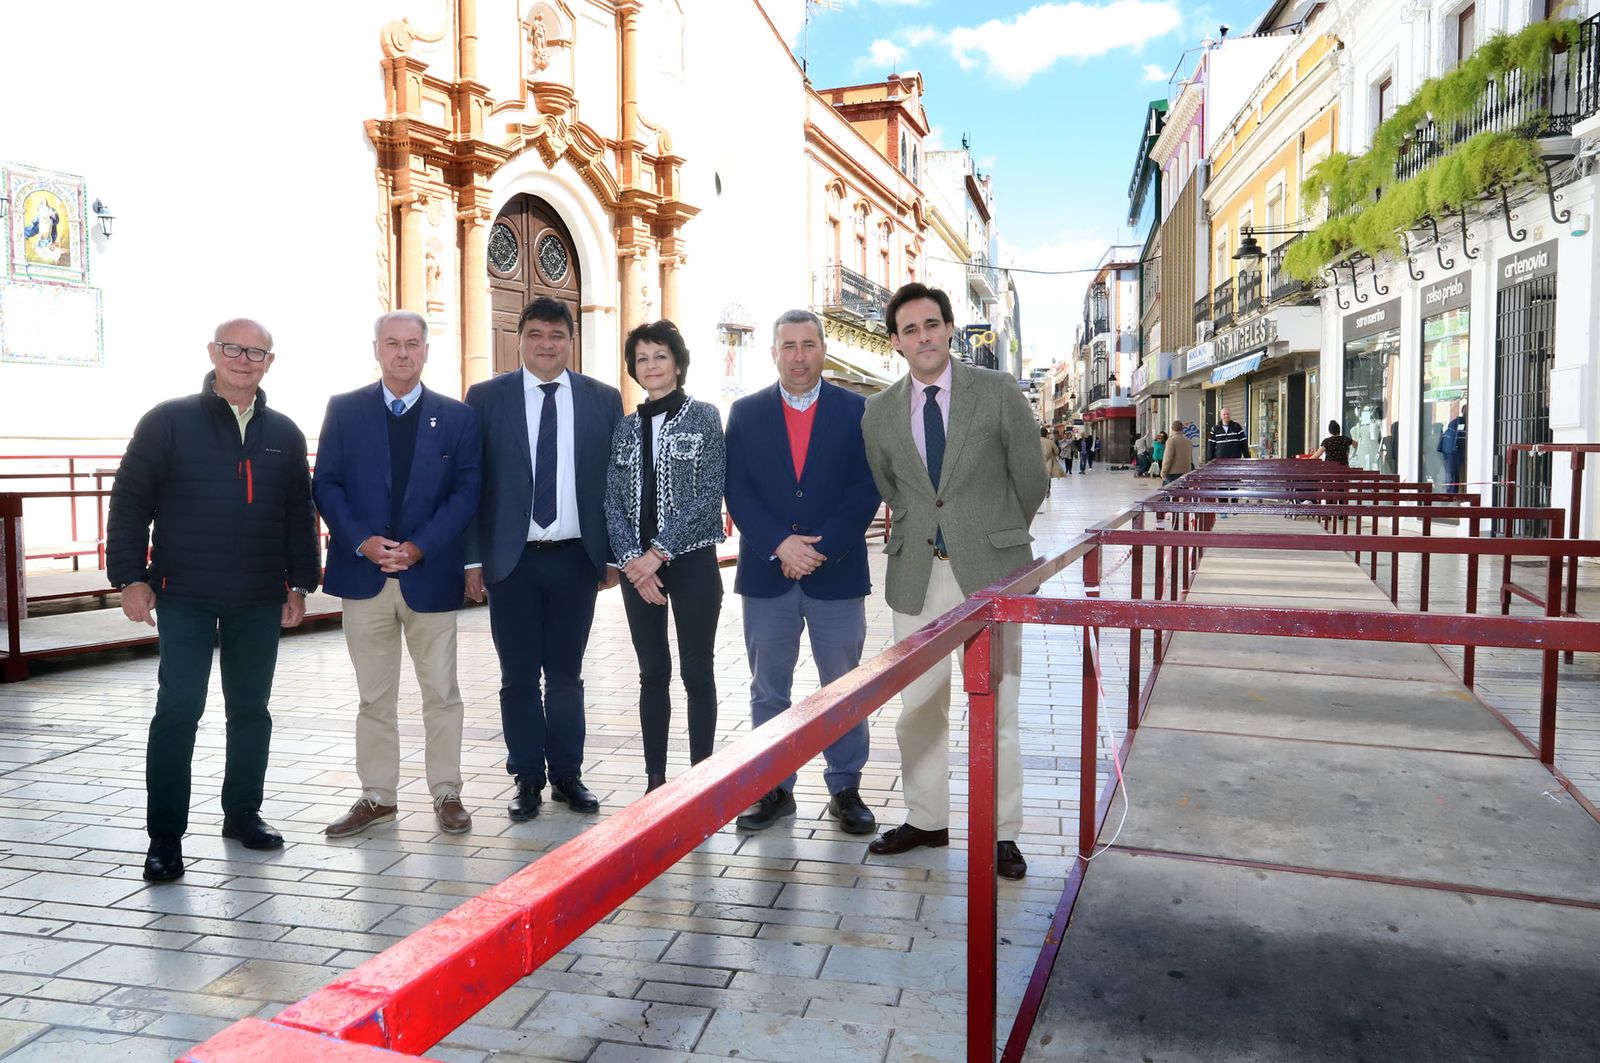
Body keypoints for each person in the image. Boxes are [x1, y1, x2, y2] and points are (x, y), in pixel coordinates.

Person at [107, 318, 320, 882]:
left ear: (270, 362)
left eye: (256, 352)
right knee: (178, 711)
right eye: (233, 348)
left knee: (251, 711)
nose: (243, 359)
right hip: (185, 595)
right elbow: (130, 502)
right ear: (212, 352)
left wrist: (300, 582)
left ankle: (243, 814)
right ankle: (164, 838)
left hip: (257, 596)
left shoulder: (284, 433)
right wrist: (130, 577)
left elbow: (299, 513)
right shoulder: (168, 422)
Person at [860, 282, 1047, 881]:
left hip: (990, 573)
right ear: (896, 342)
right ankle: (927, 819)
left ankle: (1002, 832)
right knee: (919, 705)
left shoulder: (995, 393)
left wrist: (995, 538)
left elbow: (1030, 478)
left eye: (932, 325)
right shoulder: (880, 411)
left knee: (999, 705)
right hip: (918, 575)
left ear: (949, 329)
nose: (924, 337)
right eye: (910, 329)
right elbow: (894, 488)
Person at [314, 311, 482, 838]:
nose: (403, 353)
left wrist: (420, 547)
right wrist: (362, 541)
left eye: (413, 344)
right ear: (377, 349)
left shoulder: (457, 418)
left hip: (428, 576)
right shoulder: (344, 410)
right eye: (393, 343)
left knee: (442, 692)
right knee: (374, 696)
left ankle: (447, 792)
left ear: (427, 351)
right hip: (365, 576)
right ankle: (378, 796)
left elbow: (467, 493)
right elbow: (327, 484)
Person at [465, 297, 623, 820]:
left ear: (570, 340)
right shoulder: (486, 398)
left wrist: (615, 554)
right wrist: (472, 562)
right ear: (520, 338)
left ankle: (568, 775)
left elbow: (615, 485)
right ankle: (527, 776)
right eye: (536, 334)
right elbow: (473, 484)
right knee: (516, 677)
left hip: (576, 560)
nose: (546, 344)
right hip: (512, 562)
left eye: (557, 335)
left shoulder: (603, 399)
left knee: (565, 675)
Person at [724, 310, 881, 834]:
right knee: (769, 688)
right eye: (788, 345)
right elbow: (738, 489)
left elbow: (866, 488)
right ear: (773, 352)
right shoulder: (744, 414)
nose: (798, 355)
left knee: (842, 686)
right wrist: (778, 544)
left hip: (835, 574)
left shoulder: (858, 410)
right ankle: (772, 786)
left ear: (822, 350)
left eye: (808, 345)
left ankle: (845, 787)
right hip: (767, 574)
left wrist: (821, 549)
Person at [604, 320, 727, 793]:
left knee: (698, 669)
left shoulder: (704, 416)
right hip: (640, 572)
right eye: (641, 358)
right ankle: (656, 779)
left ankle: (702, 776)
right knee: (652, 671)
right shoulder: (625, 428)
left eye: (660, 355)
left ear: (677, 362)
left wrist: (658, 554)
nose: (651, 365)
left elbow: (708, 493)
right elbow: (612, 501)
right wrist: (635, 563)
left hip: (691, 562)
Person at [1439, 403, 1467, 493]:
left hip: (1449, 450)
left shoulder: (1455, 422)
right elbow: (1459, 437)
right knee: (1454, 476)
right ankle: (1452, 495)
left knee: (1451, 475)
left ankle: (1451, 494)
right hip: (1454, 452)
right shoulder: (1460, 422)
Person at [1162, 419, 1194, 483]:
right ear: (1182, 429)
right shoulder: (1188, 441)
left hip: (1172, 473)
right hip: (1186, 472)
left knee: (1170, 492)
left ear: (1172, 429)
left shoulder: (1171, 441)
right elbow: (1190, 458)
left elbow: (1168, 458)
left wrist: (1163, 473)